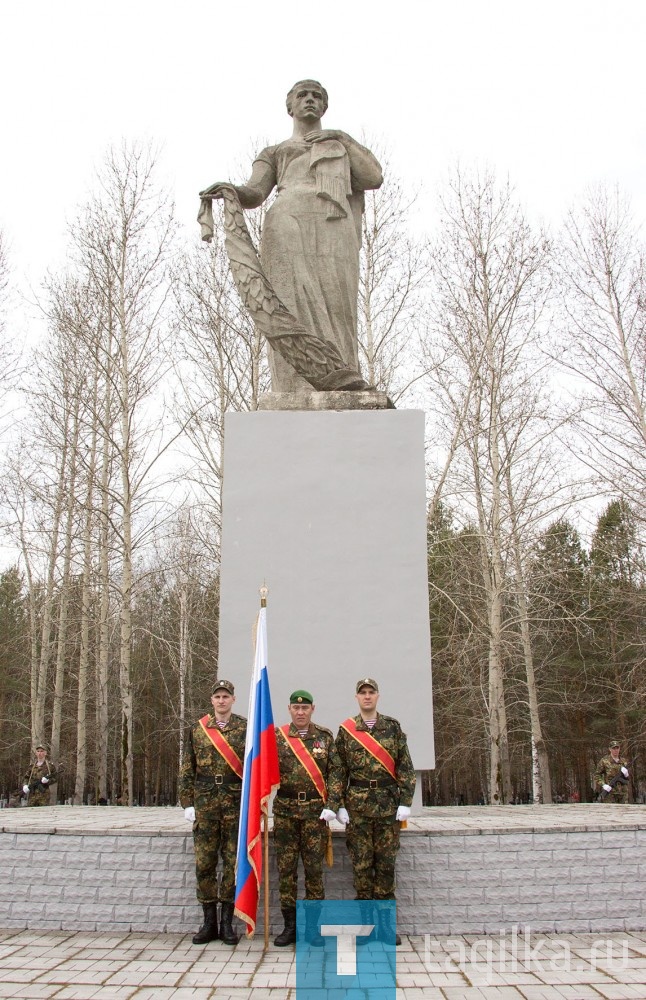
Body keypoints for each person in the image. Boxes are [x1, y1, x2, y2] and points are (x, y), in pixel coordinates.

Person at [199, 79, 383, 392]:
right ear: (290, 106)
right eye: (302, 95)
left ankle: (341, 375)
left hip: (332, 222)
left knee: (339, 305)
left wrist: (341, 137)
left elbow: (373, 177)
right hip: (286, 224)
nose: (309, 100)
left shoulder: (338, 145)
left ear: (324, 106)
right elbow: (255, 192)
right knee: (288, 303)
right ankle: (292, 385)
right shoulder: (274, 152)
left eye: (317, 96)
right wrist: (230, 191)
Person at [327, 678, 415, 945]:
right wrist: (338, 804)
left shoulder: (393, 727)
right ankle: (366, 928)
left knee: (386, 868)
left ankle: (386, 928)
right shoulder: (346, 731)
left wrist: (405, 802)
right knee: (362, 869)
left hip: (388, 806)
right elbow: (338, 772)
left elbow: (406, 767)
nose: (367, 697)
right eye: (362, 693)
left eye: (371, 692)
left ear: (378, 696)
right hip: (358, 808)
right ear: (356, 697)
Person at [179, 679, 247, 945]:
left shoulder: (244, 728)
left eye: (226, 697)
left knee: (231, 864)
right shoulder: (198, 730)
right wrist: (188, 803)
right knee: (205, 864)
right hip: (205, 804)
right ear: (212, 700)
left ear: (233, 699)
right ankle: (209, 923)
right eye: (218, 697)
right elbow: (187, 769)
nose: (221, 701)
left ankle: (227, 924)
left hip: (234, 804)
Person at [272, 689, 338, 947]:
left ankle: (312, 928)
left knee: (313, 872)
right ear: (289, 709)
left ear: (312, 709)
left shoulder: (324, 737)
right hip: (286, 811)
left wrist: (332, 805)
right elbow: (264, 773)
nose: (300, 712)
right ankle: (290, 927)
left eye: (305, 708)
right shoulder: (277, 738)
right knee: (286, 872)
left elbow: (335, 774)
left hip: (315, 812)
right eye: (296, 708)